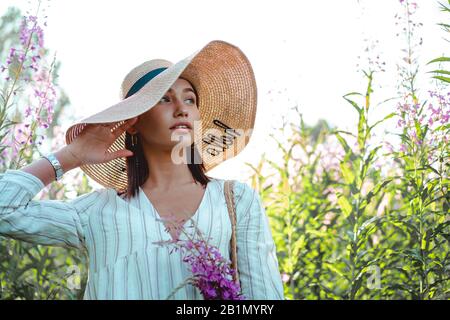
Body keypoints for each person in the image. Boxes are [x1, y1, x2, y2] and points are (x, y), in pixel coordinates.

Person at [0, 40, 284, 300]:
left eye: (190, 99)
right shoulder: (96, 211)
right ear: (133, 122)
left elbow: (265, 298)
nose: (182, 109)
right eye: (164, 99)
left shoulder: (236, 201)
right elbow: (5, 209)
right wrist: (71, 155)